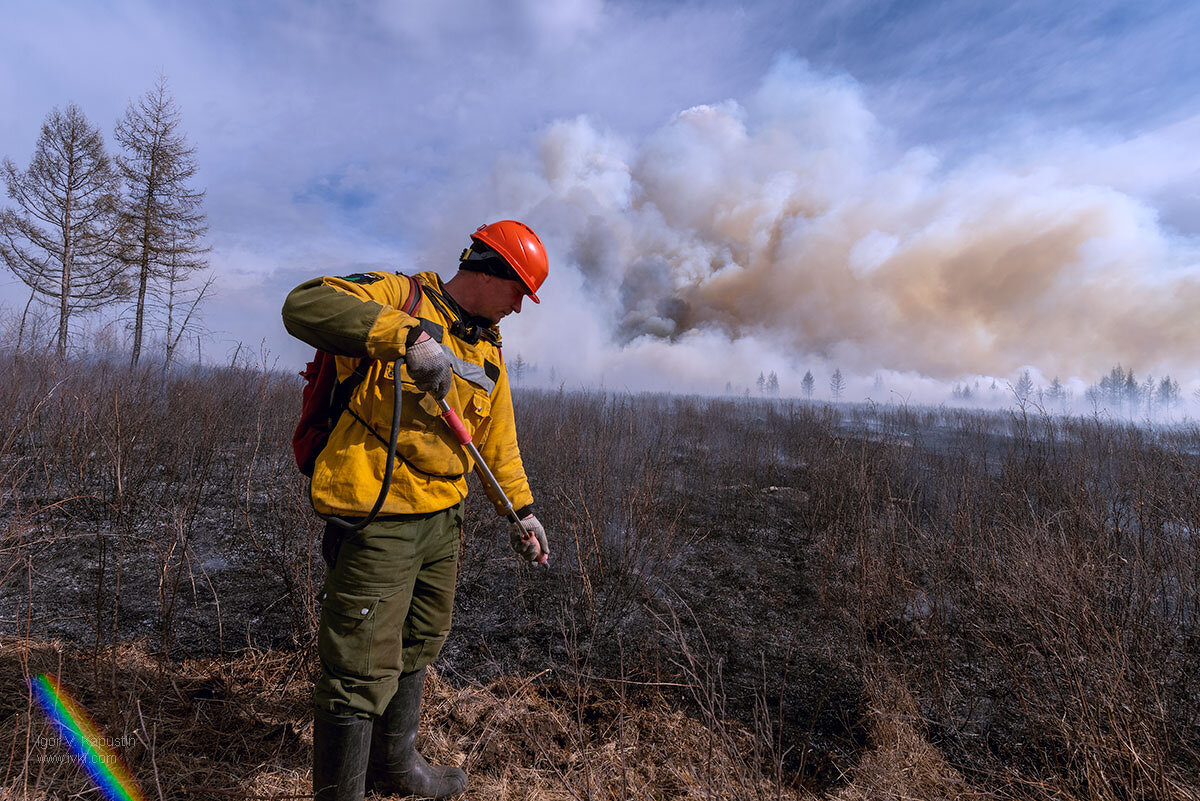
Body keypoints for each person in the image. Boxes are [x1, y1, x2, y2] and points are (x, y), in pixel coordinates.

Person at [281, 220, 551, 800]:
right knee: (357, 668)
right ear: (493, 270)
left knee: (419, 640)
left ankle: (395, 766)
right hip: (379, 515)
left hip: (443, 519)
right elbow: (305, 303)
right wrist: (407, 338)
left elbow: (496, 440)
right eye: (518, 294)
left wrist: (521, 511)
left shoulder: (489, 349)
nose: (519, 310)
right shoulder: (398, 294)